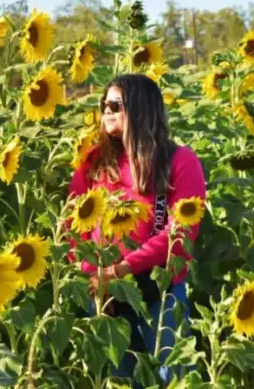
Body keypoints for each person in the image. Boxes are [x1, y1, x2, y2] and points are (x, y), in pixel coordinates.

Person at [65, 73, 207, 383]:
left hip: (159, 290)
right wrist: (95, 277)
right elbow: (72, 228)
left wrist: (120, 271)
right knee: (122, 379)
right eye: (104, 104)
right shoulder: (94, 163)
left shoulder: (179, 161)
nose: (106, 111)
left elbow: (178, 236)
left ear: (141, 108)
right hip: (105, 293)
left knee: (176, 378)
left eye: (115, 104)